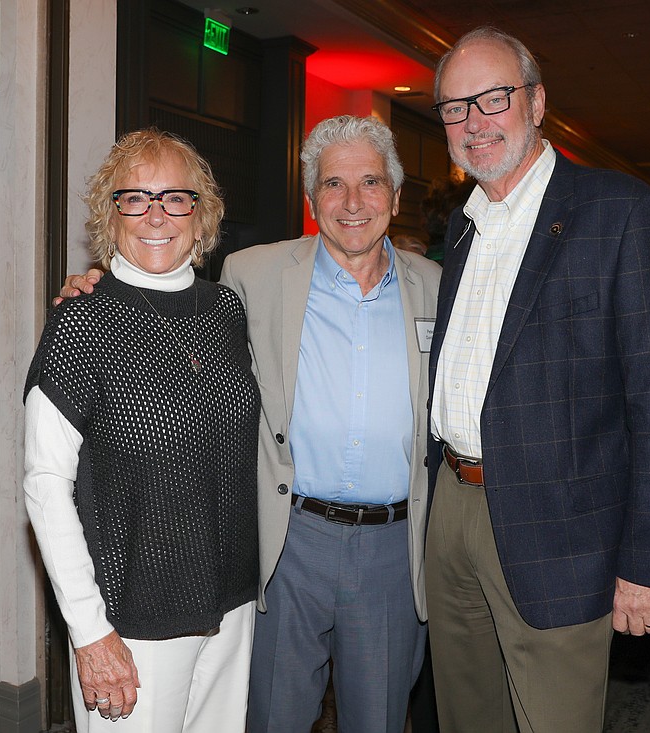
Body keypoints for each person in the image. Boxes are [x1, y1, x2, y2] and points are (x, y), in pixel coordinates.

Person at [58, 115, 440, 733]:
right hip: (288, 544)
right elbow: (167, 295)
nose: (352, 202)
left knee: (381, 720)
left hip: (393, 552)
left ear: (395, 197)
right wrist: (97, 287)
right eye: (332, 184)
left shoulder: (435, 288)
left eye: (370, 183)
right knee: (272, 718)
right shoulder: (250, 275)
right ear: (311, 199)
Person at [425, 27, 650, 732]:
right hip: (453, 509)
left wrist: (648, 560)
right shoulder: (461, 228)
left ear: (537, 101)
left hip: (562, 525)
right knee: (465, 717)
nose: (474, 122)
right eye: (455, 108)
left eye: (493, 98)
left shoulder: (623, 213)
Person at [24, 129, 260, 731]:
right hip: (133, 619)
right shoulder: (82, 322)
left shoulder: (226, 311)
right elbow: (46, 484)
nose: (156, 214)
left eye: (176, 197)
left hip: (231, 604)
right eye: (135, 198)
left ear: (201, 214)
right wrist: (90, 633)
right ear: (112, 213)